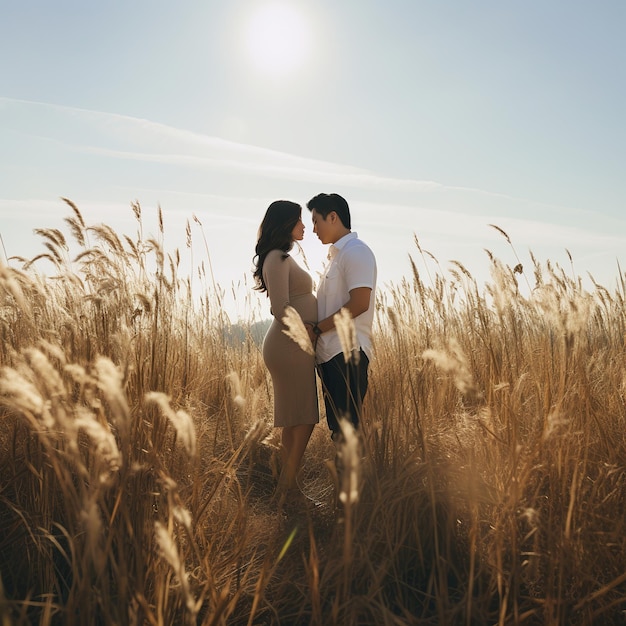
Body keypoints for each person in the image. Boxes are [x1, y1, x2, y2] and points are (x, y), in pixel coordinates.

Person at [253, 200, 319, 498]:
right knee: (303, 419)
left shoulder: (278, 256)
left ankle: (287, 486)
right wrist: (305, 331)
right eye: (299, 221)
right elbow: (279, 306)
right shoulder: (277, 257)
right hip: (290, 345)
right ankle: (289, 489)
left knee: (295, 419)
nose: (304, 226)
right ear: (285, 224)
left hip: (291, 345)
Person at [305, 193, 377, 441]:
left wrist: (316, 330)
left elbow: (359, 303)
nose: (313, 229)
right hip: (330, 355)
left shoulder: (356, 252)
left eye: (316, 221)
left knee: (347, 433)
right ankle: (344, 481)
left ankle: (352, 481)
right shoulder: (335, 258)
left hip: (346, 355)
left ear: (333, 217)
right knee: (339, 432)